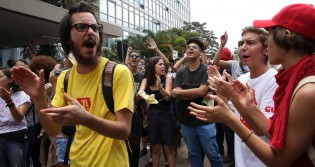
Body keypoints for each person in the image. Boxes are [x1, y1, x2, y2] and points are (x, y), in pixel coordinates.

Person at [188, 3, 315, 167]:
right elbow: (276, 133)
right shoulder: (292, 79)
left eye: (270, 34)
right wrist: (244, 105)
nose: (268, 44)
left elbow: (280, 160)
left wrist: (231, 119)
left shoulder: (307, 91)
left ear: (286, 35)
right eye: (241, 43)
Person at [11, 2, 135, 167]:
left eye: (95, 27)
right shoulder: (66, 78)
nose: (91, 31)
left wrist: (85, 118)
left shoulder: (118, 73)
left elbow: (124, 130)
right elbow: (55, 130)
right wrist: (39, 98)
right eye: (82, 27)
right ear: (67, 39)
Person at [172, 37, 223, 167]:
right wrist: (197, 93)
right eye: (188, 46)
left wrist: (182, 93)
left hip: (205, 121)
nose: (190, 48)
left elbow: (201, 91)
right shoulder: (181, 72)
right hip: (186, 121)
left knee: (213, 154)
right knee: (194, 154)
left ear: (201, 52)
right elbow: (175, 93)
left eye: (194, 47)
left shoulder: (206, 69)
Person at [138, 56, 175, 167]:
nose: (163, 66)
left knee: (168, 147)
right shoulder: (146, 80)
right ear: (152, 67)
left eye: (163, 64)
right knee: (155, 147)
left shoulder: (167, 77)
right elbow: (140, 93)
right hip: (152, 115)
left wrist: (160, 88)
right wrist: (140, 94)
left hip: (166, 115)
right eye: (160, 64)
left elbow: (168, 97)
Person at [0, 68, 31, 167]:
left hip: (16, 137)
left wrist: (9, 100)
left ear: (10, 79)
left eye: (0, 77)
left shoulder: (22, 95)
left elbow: (18, 118)